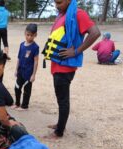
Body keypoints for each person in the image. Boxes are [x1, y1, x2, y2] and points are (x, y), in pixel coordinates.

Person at [43, 0, 100, 139]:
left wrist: (76, 51)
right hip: (58, 64)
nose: (57, 6)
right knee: (60, 97)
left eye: (60, 2)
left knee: (63, 99)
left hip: (65, 67)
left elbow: (95, 33)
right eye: (55, 3)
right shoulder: (63, 14)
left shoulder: (78, 14)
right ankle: (59, 124)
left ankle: (59, 132)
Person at [14, 23, 39, 110]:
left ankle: (24, 106)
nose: (29, 37)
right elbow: (18, 58)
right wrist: (16, 69)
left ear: (35, 35)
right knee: (17, 87)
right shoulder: (21, 45)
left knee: (27, 90)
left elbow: (36, 61)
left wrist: (33, 74)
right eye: (27, 35)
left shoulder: (35, 47)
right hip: (20, 71)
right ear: (25, 33)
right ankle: (17, 103)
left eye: (31, 35)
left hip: (28, 72)